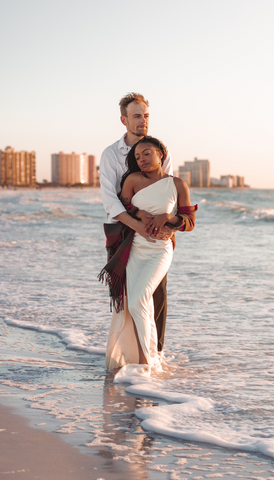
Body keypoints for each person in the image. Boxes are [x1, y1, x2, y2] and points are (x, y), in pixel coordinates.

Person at [103, 136, 197, 372]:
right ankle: (145, 359)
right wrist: (141, 213)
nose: (141, 159)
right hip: (135, 248)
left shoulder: (177, 184)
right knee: (133, 304)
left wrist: (168, 218)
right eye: (137, 156)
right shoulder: (132, 180)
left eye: (147, 153)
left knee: (139, 300)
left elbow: (190, 222)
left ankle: (149, 362)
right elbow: (123, 207)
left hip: (159, 250)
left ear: (160, 155)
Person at [99, 93, 172, 353]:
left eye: (146, 116)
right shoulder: (111, 154)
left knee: (157, 292)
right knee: (126, 294)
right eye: (137, 116)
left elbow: (167, 189)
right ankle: (128, 354)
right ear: (124, 120)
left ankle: (156, 355)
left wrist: (166, 226)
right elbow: (111, 201)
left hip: (156, 231)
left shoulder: (161, 149)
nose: (143, 121)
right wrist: (137, 222)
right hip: (121, 229)